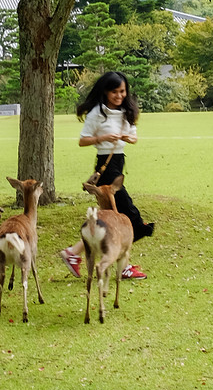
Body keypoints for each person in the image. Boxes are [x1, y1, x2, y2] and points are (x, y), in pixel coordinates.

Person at [59, 70, 154, 279]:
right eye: (114, 92)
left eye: (122, 91)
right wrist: (102, 137)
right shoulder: (96, 114)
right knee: (129, 216)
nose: (119, 96)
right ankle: (120, 264)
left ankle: (74, 253)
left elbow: (134, 137)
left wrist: (127, 138)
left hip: (118, 163)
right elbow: (83, 140)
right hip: (106, 168)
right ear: (105, 92)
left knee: (118, 218)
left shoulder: (127, 111)